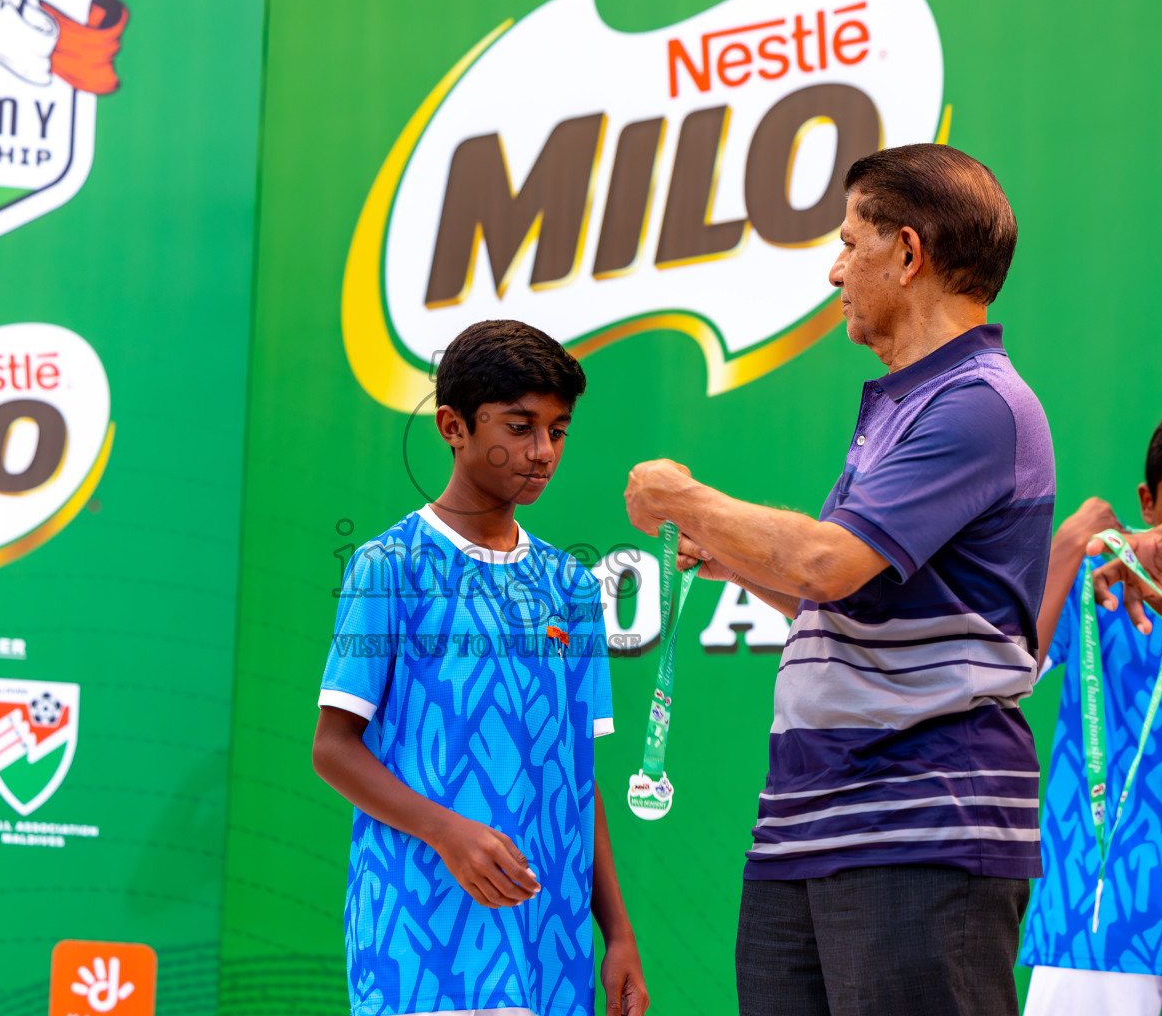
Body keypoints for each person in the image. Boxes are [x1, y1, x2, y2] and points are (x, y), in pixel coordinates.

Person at [623, 143, 1053, 1016]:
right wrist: (735, 556)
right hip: (814, 819)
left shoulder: (976, 401)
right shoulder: (908, 401)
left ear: (907, 251)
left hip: (920, 819)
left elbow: (825, 560)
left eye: (849, 243)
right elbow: (843, 594)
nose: (834, 271)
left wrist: (689, 500)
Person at [312, 319, 648, 1016]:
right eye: (520, 427)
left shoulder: (572, 587)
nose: (542, 451)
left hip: (548, 946)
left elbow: (576, 778)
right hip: (420, 940)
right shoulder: (389, 567)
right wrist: (448, 831)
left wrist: (617, 933)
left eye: (558, 430)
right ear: (452, 426)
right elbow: (333, 749)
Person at [1021, 403, 1162, 1014]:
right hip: (1091, 911)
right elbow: (1007, 676)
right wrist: (1069, 545)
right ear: (1146, 502)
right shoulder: (1093, 574)